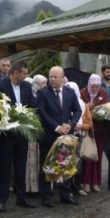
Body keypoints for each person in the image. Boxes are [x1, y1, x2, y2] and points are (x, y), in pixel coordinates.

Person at [0, 61, 35, 212]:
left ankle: (21, 197)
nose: (26, 76)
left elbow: (31, 104)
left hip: (22, 134)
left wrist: (29, 116)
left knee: (21, 166)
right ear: (15, 73)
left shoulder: (27, 86)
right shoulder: (0, 85)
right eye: (24, 73)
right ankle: (2, 199)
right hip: (6, 134)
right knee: (4, 166)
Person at [36, 66, 82, 207]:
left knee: (65, 164)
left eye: (56, 77)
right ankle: (46, 195)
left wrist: (71, 125)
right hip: (49, 135)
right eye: (51, 76)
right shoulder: (42, 93)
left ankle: (65, 193)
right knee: (46, 165)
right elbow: (42, 113)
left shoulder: (69, 92)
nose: (53, 79)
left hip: (67, 135)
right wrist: (56, 127)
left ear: (63, 78)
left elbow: (78, 110)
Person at [80, 74, 110, 192]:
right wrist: (86, 106)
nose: (95, 89)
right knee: (87, 155)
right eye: (93, 86)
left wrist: (99, 112)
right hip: (87, 129)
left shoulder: (103, 93)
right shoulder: (83, 93)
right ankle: (86, 182)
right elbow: (78, 106)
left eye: (97, 87)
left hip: (99, 129)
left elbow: (107, 108)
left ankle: (96, 182)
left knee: (97, 156)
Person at [65, 81, 93, 196]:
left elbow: (89, 123)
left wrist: (81, 126)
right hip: (67, 135)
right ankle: (67, 188)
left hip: (79, 135)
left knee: (78, 162)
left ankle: (77, 186)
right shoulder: (64, 103)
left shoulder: (82, 104)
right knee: (67, 162)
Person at [25, 74, 48, 195]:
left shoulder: (44, 96)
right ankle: (30, 187)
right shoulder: (31, 96)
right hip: (32, 133)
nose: (45, 86)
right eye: (43, 83)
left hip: (41, 132)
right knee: (31, 160)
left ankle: (39, 186)